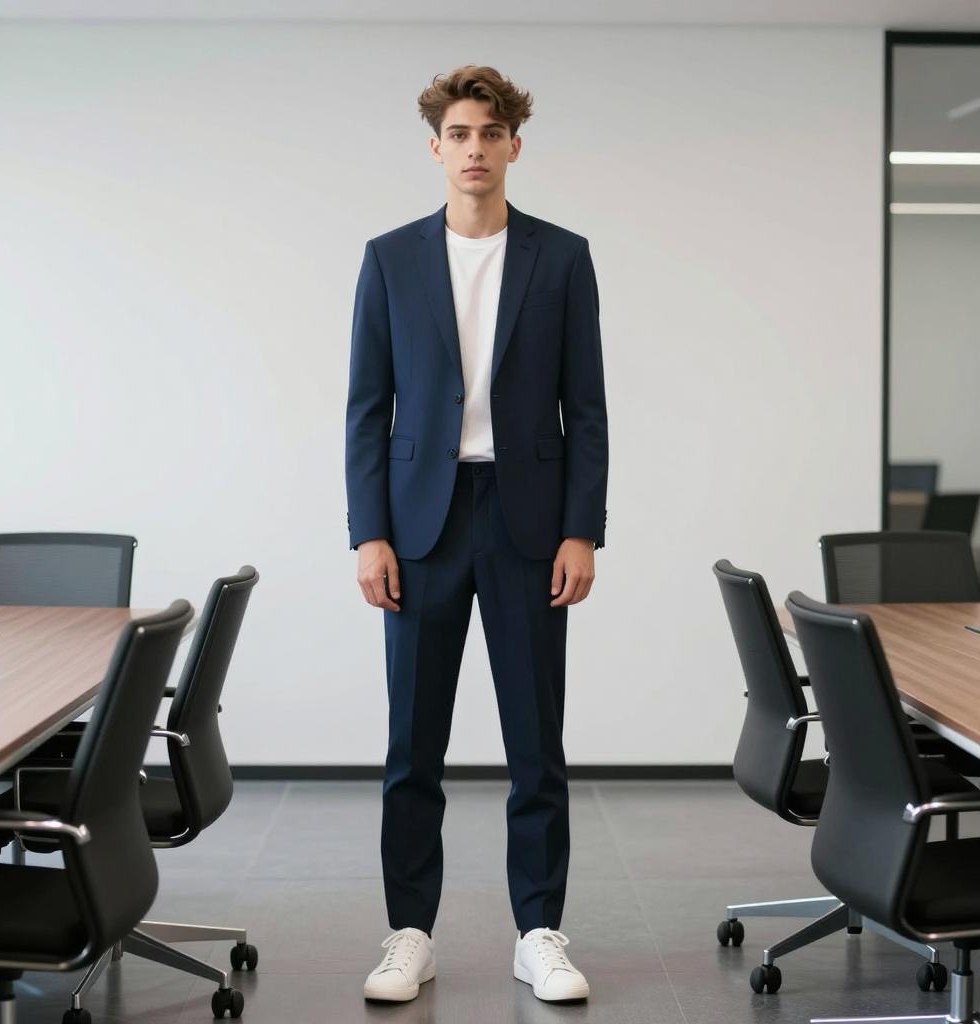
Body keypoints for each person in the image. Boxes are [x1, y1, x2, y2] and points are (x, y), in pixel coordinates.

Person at [344, 64, 609, 1004]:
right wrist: (367, 534)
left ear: (513, 147)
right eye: (459, 133)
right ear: (436, 147)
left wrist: (584, 531)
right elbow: (366, 409)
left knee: (536, 741)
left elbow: (589, 407)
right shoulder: (390, 257)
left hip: (528, 521)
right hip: (421, 521)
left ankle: (538, 929)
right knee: (413, 743)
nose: (475, 149)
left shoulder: (562, 256)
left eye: (490, 133)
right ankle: (407, 931)